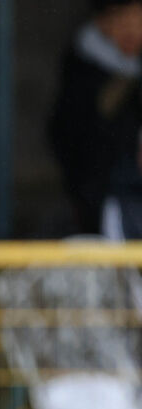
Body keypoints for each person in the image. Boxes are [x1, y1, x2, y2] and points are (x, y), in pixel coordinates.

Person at [49, 0, 142, 238]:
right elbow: (67, 137)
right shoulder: (83, 69)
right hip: (108, 197)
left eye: (136, 18)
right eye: (121, 18)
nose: (130, 28)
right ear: (103, 23)